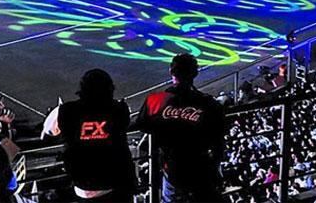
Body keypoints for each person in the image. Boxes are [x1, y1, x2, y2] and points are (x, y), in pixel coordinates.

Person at [134, 53, 225, 203]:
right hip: (200, 167)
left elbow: (142, 124)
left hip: (172, 168)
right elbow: (218, 138)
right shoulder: (208, 103)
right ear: (195, 73)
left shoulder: (155, 100)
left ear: (171, 71)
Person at [46, 69, 136, 202]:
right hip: (114, 183)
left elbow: (51, 132)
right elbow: (124, 122)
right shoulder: (118, 110)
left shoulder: (67, 110)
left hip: (82, 184)